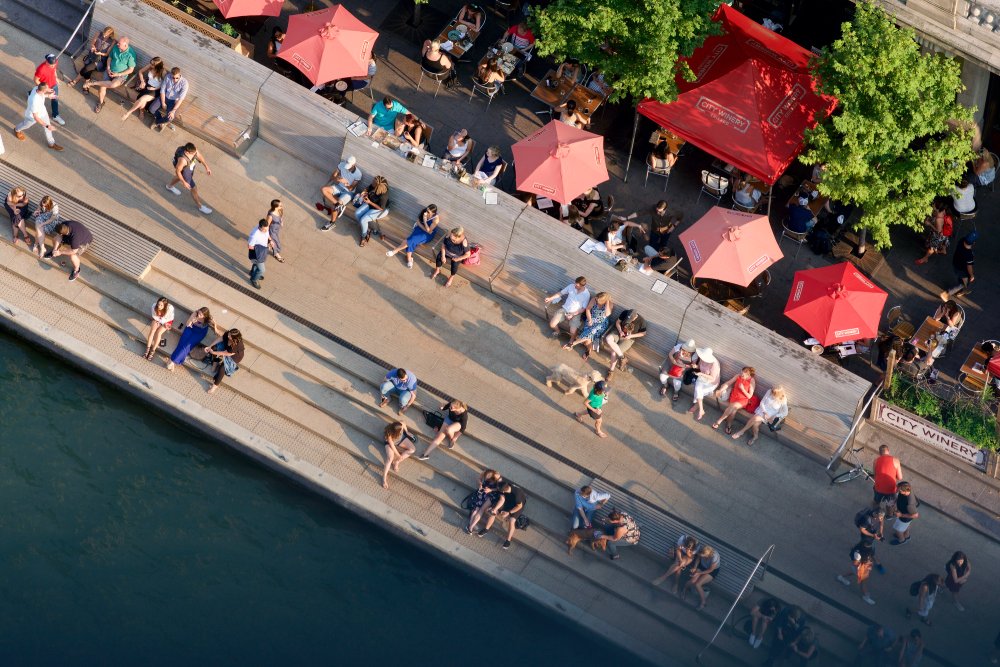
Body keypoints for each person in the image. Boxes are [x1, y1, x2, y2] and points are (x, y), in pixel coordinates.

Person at [83, 36, 136, 113]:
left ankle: (93, 83)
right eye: (118, 43)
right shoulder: (115, 48)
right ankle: (101, 103)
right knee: (102, 88)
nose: (117, 44)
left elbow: (131, 70)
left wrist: (118, 74)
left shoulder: (131, 54)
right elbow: (109, 58)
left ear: (125, 45)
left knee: (112, 85)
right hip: (109, 70)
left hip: (120, 75)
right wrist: (108, 68)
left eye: (119, 43)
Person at [386, 204, 441, 269]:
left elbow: (429, 231)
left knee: (411, 240)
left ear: (433, 213)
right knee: (412, 240)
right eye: (427, 210)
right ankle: (409, 258)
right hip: (420, 228)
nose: (426, 212)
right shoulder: (424, 212)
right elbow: (418, 221)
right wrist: (422, 225)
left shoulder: (436, 219)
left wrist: (425, 220)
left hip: (427, 235)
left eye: (429, 212)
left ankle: (395, 251)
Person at [13, 83, 64, 151]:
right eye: (47, 89)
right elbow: (35, 117)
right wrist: (47, 126)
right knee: (26, 125)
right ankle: (17, 130)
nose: (49, 89)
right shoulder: (34, 101)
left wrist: (48, 95)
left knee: (48, 129)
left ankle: (51, 143)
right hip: (31, 117)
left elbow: (42, 94)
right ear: (43, 91)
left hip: (43, 113)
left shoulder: (36, 88)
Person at [166, 143, 213, 215]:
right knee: (194, 188)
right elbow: (178, 171)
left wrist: (207, 167)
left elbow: (200, 156)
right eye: (193, 153)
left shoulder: (193, 150)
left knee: (179, 177)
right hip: (184, 170)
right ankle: (200, 206)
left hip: (188, 167)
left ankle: (169, 186)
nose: (195, 154)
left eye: (195, 152)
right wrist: (184, 182)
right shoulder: (183, 160)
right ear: (186, 152)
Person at [318, 156, 363, 230]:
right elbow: (333, 176)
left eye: (349, 167)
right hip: (339, 187)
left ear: (354, 165)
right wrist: (337, 178)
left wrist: (345, 183)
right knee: (324, 189)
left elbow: (352, 188)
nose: (347, 168)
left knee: (334, 207)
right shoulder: (342, 164)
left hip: (348, 192)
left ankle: (332, 223)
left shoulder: (358, 174)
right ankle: (339, 205)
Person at [564, 292, 613, 360]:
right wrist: (590, 319)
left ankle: (572, 344)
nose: (597, 301)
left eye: (599, 301)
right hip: (591, 319)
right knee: (587, 341)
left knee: (592, 332)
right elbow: (588, 309)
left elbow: (607, 314)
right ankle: (588, 351)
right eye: (597, 299)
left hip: (601, 323)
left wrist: (607, 302)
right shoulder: (594, 299)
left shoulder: (609, 304)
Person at [479, 482, 526, 550]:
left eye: (500, 490)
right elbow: (502, 499)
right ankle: (486, 529)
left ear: (503, 491)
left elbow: (519, 506)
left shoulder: (517, 495)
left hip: (517, 505)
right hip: (507, 501)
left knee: (512, 520)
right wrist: (495, 509)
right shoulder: (504, 485)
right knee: (493, 512)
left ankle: (508, 540)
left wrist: (508, 513)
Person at [712, 367, 756, 433]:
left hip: (743, 400)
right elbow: (728, 383)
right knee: (733, 411)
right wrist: (721, 390)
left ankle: (719, 421)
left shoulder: (752, 381)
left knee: (734, 406)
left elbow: (749, 396)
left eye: (744, 374)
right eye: (742, 372)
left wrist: (743, 389)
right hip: (734, 397)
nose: (742, 374)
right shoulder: (738, 376)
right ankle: (728, 425)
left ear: (749, 375)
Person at [121, 56, 166, 122]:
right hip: (147, 86)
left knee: (141, 99)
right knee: (142, 100)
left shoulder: (163, 72)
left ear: (158, 66)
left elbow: (164, 85)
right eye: (151, 62)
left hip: (155, 90)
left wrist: (154, 88)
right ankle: (141, 112)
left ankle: (128, 113)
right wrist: (142, 81)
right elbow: (140, 71)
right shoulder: (150, 66)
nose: (151, 65)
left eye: (153, 64)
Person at [202, 328, 244, 394]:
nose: (228, 336)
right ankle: (215, 363)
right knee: (214, 348)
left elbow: (225, 353)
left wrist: (213, 353)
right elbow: (220, 338)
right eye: (229, 334)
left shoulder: (237, 345)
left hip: (234, 357)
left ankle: (215, 386)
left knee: (222, 368)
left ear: (234, 338)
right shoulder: (228, 334)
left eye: (230, 336)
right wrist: (210, 346)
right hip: (226, 348)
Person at [604, 309, 646, 373]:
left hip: (629, 338)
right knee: (608, 339)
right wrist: (620, 331)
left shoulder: (641, 321)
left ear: (635, 317)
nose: (628, 321)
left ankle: (611, 371)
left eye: (631, 319)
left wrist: (631, 336)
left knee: (614, 352)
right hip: (619, 332)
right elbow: (618, 322)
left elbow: (643, 333)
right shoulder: (625, 312)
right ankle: (623, 358)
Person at [914, 198, 953, 265]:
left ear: (937, 208)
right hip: (945, 233)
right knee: (943, 242)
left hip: (938, 235)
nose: (932, 205)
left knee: (931, 248)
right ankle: (943, 250)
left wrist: (929, 224)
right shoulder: (943, 211)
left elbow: (938, 231)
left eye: (934, 205)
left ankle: (925, 258)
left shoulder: (938, 219)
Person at [354, 175, 390, 246]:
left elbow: (381, 208)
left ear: (378, 186)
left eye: (373, 182)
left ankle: (363, 237)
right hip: (370, 203)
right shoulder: (374, 184)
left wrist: (369, 202)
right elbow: (368, 188)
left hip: (379, 209)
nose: (372, 182)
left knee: (363, 220)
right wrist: (364, 192)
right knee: (357, 213)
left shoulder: (384, 195)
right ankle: (366, 229)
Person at [836, 541, 876, 605]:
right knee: (863, 582)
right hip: (860, 569)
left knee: (852, 572)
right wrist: (863, 566)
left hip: (861, 567)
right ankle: (866, 596)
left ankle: (841, 577)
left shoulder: (865, 549)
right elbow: (855, 563)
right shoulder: (858, 554)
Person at [465, 469, 504, 534]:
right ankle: (470, 527)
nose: (486, 479)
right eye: (486, 478)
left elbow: (499, 488)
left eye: (489, 478)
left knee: (480, 509)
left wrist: (491, 490)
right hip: (483, 491)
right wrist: (480, 484)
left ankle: (470, 526)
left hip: (491, 494)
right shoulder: (485, 472)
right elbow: (479, 478)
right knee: (476, 508)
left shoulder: (497, 477)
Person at [940, 231, 976, 300]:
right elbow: (969, 266)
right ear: (974, 243)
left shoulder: (961, 240)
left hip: (956, 264)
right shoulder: (969, 255)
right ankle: (946, 294)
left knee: (963, 280)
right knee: (963, 283)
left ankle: (964, 290)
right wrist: (971, 275)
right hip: (962, 270)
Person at [380, 421, 416, 490]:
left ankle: (396, 462)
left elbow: (404, 424)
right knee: (390, 458)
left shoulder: (400, 425)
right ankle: (384, 478)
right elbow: (392, 446)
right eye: (400, 432)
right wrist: (399, 455)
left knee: (412, 449)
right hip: (390, 444)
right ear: (395, 432)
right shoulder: (389, 435)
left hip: (400, 440)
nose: (401, 432)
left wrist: (407, 432)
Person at [688, 347, 720, 422]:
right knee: (698, 389)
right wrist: (696, 366)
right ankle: (701, 409)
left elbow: (712, 378)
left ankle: (697, 406)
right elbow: (700, 367)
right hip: (702, 378)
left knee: (699, 391)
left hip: (711, 382)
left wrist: (701, 374)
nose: (701, 358)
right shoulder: (702, 358)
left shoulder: (714, 364)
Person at [683, 545, 720, 609]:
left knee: (698, 584)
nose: (702, 556)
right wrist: (695, 568)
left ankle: (703, 602)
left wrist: (698, 573)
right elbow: (698, 559)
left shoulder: (714, 557)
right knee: (692, 581)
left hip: (712, 570)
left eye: (703, 556)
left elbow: (710, 570)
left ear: (707, 554)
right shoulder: (702, 550)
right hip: (702, 566)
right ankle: (684, 589)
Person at [34, 54, 65, 127]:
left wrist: (56, 77)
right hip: (45, 86)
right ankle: (30, 94)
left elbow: (54, 70)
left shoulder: (55, 62)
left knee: (55, 99)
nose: (53, 66)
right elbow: (36, 80)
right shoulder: (41, 69)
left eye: (54, 64)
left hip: (53, 85)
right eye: (51, 65)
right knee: (38, 96)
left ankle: (55, 115)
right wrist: (45, 88)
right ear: (47, 62)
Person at [871, 444, 903, 513]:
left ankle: (876, 511)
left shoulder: (875, 461)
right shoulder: (896, 461)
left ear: (879, 453)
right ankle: (889, 514)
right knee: (890, 504)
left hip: (878, 487)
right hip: (891, 489)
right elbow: (900, 477)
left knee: (876, 501)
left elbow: (875, 475)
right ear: (888, 451)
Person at [143, 296, 175, 361]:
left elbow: (170, 318)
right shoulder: (154, 306)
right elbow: (154, 316)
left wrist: (163, 323)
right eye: (158, 304)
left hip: (167, 321)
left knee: (158, 333)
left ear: (165, 306)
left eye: (161, 305)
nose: (159, 306)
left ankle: (152, 351)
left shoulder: (170, 309)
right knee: (152, 331)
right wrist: (159, 321)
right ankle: (147, 349)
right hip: (158, 319)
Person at [247, 218, 274, 289]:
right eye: (264, 230)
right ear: (259, 227)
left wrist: (270, 240)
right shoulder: (254, 235)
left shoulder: (265, 228)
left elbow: (267, 235)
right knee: (262, 270)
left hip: (261, 251)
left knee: (255, 264)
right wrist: (263, 250)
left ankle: (253, 273)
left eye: (267, 229)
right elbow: (250, 246)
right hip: (256, 254)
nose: (266, 231)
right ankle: (254, 279)